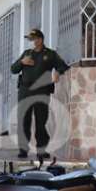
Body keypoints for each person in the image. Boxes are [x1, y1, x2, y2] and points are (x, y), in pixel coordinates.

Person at [11, 29, 70, 160]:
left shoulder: (50, 54)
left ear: (40, 39)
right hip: (25, 90)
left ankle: (41, 150)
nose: (32, 42)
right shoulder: (27, 54)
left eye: (34, 39)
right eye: (30, 39)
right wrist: (22, 62)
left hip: (42, 91)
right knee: (24, 120)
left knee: (41, 121)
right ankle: (23, 149)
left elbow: (63, 66)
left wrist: (57, 73)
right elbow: (13, 69)